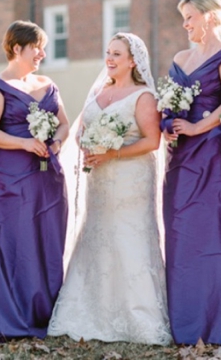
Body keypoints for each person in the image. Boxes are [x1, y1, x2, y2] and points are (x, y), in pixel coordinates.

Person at [48, 33, 172, 345]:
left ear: (133, 61)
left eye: (117, 54)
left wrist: (112, 152)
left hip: (130, 179)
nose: (110, 59)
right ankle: (88, 311)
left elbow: (151, 141)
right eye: (108, 52)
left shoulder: (143, 96)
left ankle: (137, 317)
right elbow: (83, 129)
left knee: (128, 238)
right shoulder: (100, 92)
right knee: (98, 234)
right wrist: (87, 143)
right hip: (99, 180)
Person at [0, 20, 70, 341]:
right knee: (12, 241)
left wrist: (54, 144)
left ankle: (45, 310)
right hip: (10, 176)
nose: (42, 52)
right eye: (36, 47)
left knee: (46, 240)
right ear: (17, 48)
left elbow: (64, 124)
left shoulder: (47, 83)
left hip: (48, 177)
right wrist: (26, 143)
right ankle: (8, 315)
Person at [162, 0, 221, 345]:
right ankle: (180, 316)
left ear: (210, 16)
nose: (185, 25)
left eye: (190, 17)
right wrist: (169, 122)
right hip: (179, 155)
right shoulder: (182, 56)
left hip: (209, 154)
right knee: (179, 229)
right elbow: (168, 101)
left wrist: (197, 126)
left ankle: (210, 320)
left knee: (205, 231)